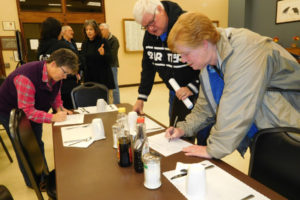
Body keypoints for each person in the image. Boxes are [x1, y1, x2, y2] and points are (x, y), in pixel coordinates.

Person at [165, 12, 300, 159]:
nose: (183, 60)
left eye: (185, 53)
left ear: (204, 43)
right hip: (265, 132)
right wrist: (183, 129)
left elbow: (236, 108)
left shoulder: (245, 51)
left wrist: (213, 149)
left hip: (289, 129)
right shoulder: (209, 65)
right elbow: (205, 108)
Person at [0, 48, 78, 187]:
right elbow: (28, 112)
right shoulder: (26, 77)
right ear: (53, 64)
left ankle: (43, 176)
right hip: (8, 111)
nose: (65, 77)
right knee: (25, 147)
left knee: (37, 142)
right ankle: (34, 182)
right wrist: (53, 117)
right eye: (64, 72)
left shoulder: (56, 75)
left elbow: (56, 96)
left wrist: (60, 108)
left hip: (33, 108)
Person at [132, 0, 200, 127]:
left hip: (202, 93)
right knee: (177, 135)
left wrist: (193, 86)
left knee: (204, 139)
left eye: (151, 22)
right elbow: (148, 66)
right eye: (145, 26)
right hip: (175, 94)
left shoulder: (187, 25)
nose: (150, 29)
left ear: (160, 9)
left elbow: (208, 63)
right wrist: (142, 97)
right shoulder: (149, 36)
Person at [37, 17, 79, 109]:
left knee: (58, 112)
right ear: (57, 31)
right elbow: (75, 61)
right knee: (69, 113)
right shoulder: (62, 46)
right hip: (65, 87)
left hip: (50, 87)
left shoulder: (41, 47)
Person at [80, 19, 115, 103]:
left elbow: (110, 60)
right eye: (87, 30)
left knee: (106, 104)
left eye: (91, 29)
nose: (88, 32)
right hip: (90, 79)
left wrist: (103, 55)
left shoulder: (103, 41)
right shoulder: (85, 43)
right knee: (92, 103)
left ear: (96, 30)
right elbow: (82, 59)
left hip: (103, 78)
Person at [99, 23, 121, 104]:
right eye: (99, 30)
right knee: (103, 87)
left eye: (102, 30)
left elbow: (112, 55)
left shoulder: (114, 40)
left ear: (107, 30)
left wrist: (103, 54)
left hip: (112, 66)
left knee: (114, 86)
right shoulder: (100, 40)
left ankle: (117, 104)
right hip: (102, 66)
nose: (100, 31)